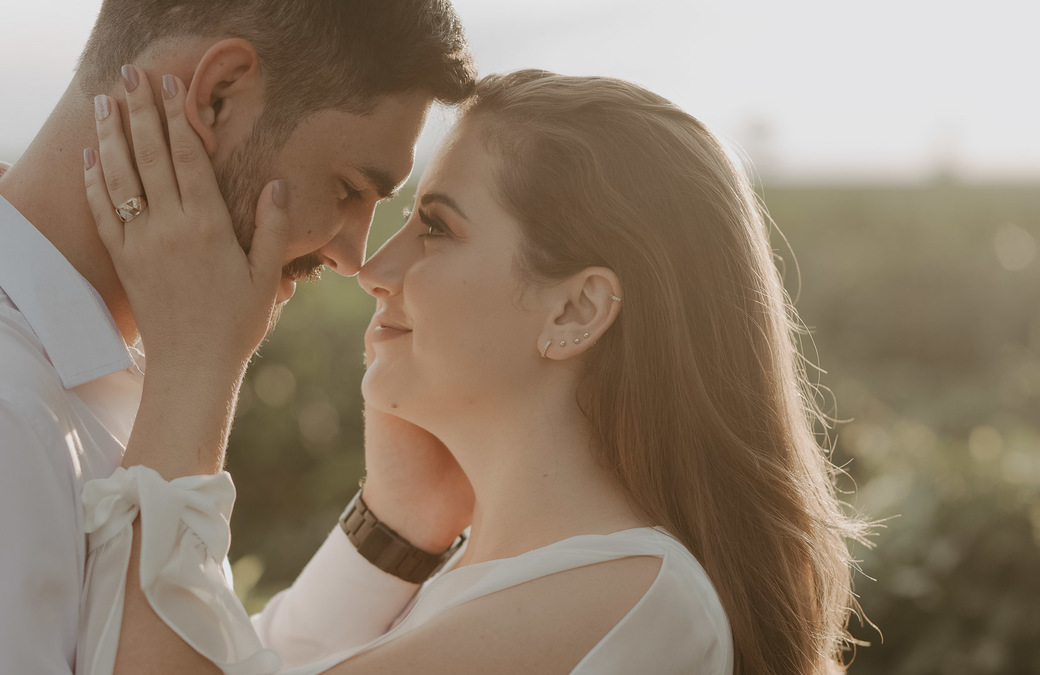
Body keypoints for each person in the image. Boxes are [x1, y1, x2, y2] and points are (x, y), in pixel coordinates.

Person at [79, 69, 870, 674]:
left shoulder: (631, 596)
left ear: (576, 311)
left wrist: (193, 368)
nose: (376, 267)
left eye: (436, 227)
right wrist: (390, 529)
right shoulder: (508, 588)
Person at [0, 2, 477, 673]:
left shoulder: (87, 372)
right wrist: (200, 375)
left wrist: (395, 526)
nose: (353, 255)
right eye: (349, 188)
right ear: (217, 95)